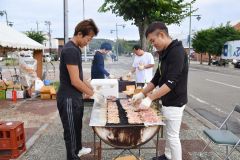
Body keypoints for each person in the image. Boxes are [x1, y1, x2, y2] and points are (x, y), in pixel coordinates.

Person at [132, 22, 188, 160]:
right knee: (169, 133)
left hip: (176, 101)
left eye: (153, 40)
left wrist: (150, 98)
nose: (153, 44)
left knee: (173, 136)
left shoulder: (177, 52)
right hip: (167, 99)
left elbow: (171, 83)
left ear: (162, 35)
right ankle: (168, 156)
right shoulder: (165, 53)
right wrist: (142, 93)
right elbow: (157, 78)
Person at [57, 19, 104, 160]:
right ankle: (72, 156)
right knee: (71, 132)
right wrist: (94, 94)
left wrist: (93, 88)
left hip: (75, 97)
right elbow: (75, 81)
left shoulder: (75, 49)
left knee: (77, 126)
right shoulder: (71, 50)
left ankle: (78, 149)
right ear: (79, 34)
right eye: (88, 39)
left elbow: (80, 77)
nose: (88, 43)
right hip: (68, 98)